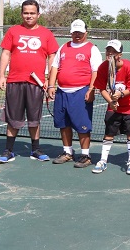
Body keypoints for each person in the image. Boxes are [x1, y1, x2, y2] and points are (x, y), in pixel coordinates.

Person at [0, 0, 59, 164]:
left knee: (34, 119)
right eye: (26, 13)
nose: (29, 16)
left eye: (32, 13)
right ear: (21, 14)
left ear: (38, 14)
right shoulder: (13, 31)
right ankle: (8, 150)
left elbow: (53, 57)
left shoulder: (46, 34)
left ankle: (35, 149)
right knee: (13, 118)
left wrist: (49, 80)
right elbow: (6, 53)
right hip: (15, 82)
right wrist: (1, 75)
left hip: (36, 84)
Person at [47, 19, 103, 168]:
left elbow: (96, 71)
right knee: (63, 124)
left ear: (86, 32)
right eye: (75, 32)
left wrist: (91, 89)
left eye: (80, 32)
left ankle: (85, 155)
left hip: (81, 92)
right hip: (62, 92)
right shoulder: (63, 47)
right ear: (71, 32)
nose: (77, 34)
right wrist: (51, 85)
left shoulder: (92, 49)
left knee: (82, 125)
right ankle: (67, 152)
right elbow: (54, 66)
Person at [91, 40, 130, 174]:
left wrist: (119, 94)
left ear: (120, 54)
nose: (110, 53)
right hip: (113, 107)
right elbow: (101, 88)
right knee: (108, 134)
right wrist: (111, 102)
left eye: (113, 51)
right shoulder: (103, 67)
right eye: (108, 50)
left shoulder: (129, 67)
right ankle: (103, 161)